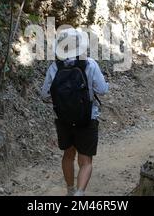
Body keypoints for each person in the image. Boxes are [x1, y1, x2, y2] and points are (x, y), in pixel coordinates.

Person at [41, 28, 109, 196]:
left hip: (63, 119)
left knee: (68, 155)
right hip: (87, 118)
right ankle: (80, 193)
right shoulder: (90, 64)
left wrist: (62, 101)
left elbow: (44, 95)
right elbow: (102, 90)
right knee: (85, 160)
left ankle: (70, 190)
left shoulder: (54, 67)